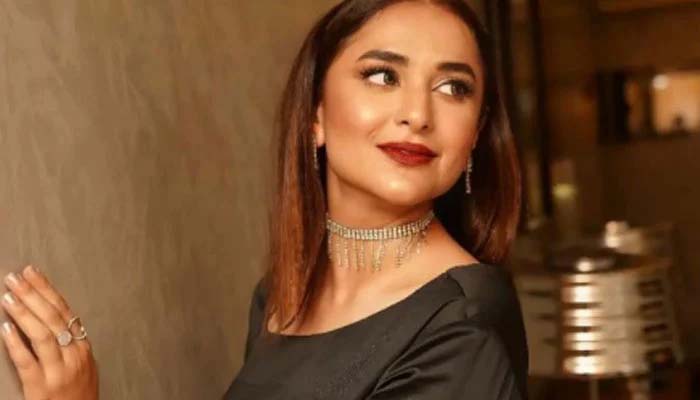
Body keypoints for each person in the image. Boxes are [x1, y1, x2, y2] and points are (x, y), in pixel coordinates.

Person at [1, 0, 528, 399]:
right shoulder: (280, 295)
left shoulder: (466, 325)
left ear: (475, 133)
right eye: (383, 75)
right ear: (316, 113)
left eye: (453, 88)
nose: (417, 114)